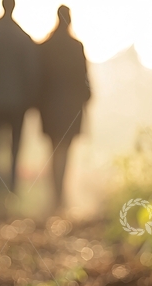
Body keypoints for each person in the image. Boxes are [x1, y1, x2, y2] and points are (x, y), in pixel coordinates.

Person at [0, 0, 39, 201]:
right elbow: (31, 74)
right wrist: (30, 102)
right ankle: (12, 189)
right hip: (18, 103)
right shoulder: (23, 38)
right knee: (15, 147)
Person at [39, 5, 91, 210]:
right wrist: (86, 98)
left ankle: (55, 196)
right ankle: (60, 196)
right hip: (71, 108)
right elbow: (84, 78)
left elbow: (39, 78)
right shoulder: (76, 46)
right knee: (65, 151)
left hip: (50, 108)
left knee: (53, 150)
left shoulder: (46, 45)